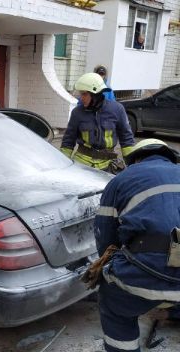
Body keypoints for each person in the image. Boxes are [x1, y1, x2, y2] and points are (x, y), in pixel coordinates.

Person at [93, 138, 180, 352]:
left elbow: (106, 240)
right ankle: (171, 311)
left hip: (147, 269)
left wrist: (108, 269)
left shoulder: (121, 180)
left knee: (114, 303)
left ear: (136, 160)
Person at [61, 72, 135, 173]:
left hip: (108, 166)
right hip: (81, 167)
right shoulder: (77, 113)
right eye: (80, 94)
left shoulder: (117, 109)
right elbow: (68, 142)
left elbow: (127, 140)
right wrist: (62, 166)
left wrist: (133, 166)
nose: (81, 98)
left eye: (84, 94)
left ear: (95, 94)